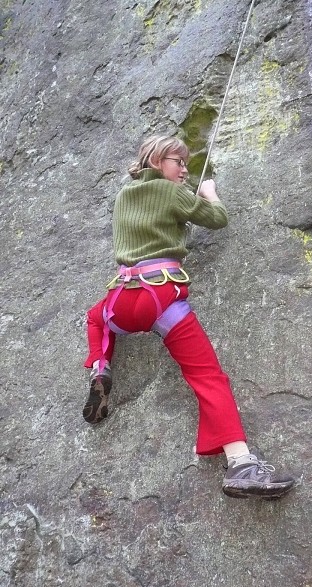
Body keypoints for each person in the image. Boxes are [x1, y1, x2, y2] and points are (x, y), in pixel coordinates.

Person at [82, 134, 295, 499]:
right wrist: (208, 193)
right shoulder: (172, 192)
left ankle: (100, 367)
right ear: (156, 162)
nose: (184, 169)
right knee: (207, 376)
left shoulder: (123, 196)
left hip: (121, 299)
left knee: (95, 320)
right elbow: (217, 219)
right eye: (177, 161)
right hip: (161, 297)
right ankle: (241, 464)